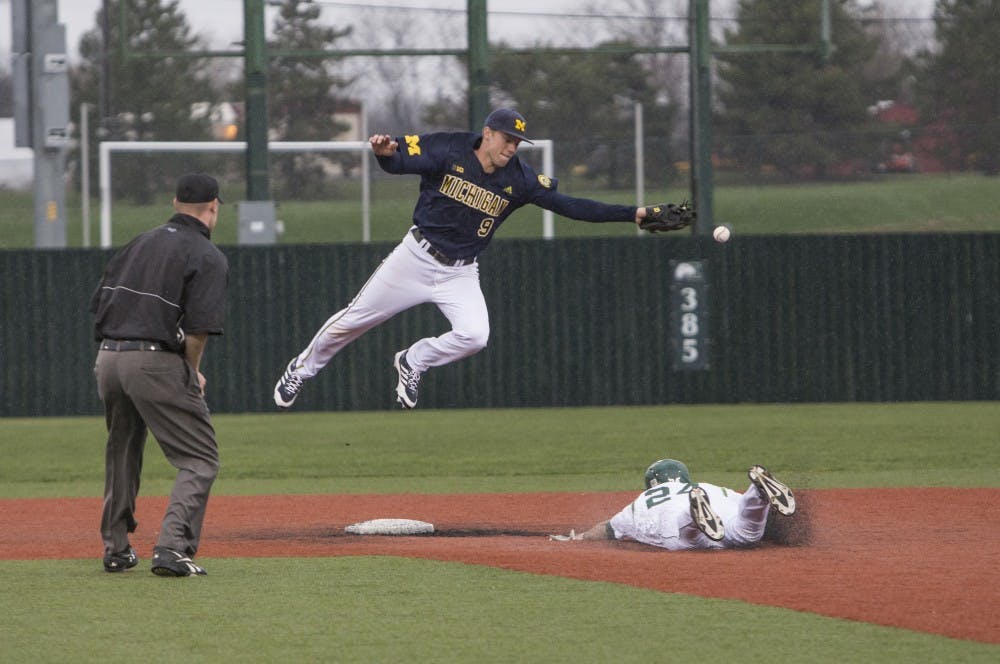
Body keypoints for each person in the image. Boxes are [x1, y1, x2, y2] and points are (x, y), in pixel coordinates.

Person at [274, 108, 682, 409]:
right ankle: (302, 370)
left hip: (460, 272)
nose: (512, 147)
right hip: (415, 257)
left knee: (475, 336)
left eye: (517, 143)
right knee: (353, 321)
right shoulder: (449, 146)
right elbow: (399, 160)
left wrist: (636, 214)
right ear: (487, 133)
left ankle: (413, 360)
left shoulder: (519, 178)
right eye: (506, 139)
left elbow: (571, 205)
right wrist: (384, 153)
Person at [90, 173, 229, 577]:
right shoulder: (207, 255)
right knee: (200, 457)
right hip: (153, 360)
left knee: (122, 448)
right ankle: (172, 547)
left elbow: (99, 303)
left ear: (174, 201)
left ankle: (115, 548)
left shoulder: (139, 242)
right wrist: (190, 373)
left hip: (108, 358)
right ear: (214, 207)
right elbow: (199, 329)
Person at [549, 460, 796, 550]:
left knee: (684, 539)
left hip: (679, 521)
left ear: (652, 483)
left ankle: (693, 513)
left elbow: (607, 529)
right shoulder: (708, 486)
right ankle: (759, 493)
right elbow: (737, 504)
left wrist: (580, 538)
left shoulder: (642, 501)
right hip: (715, 505)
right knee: (747, 532)